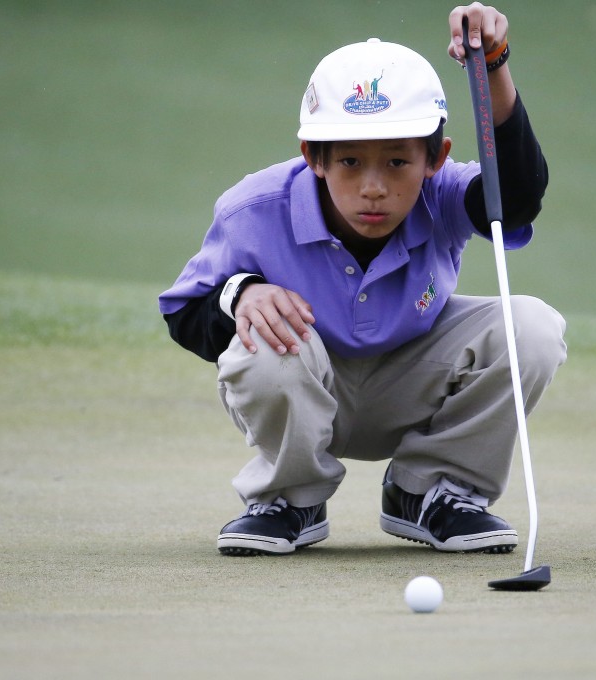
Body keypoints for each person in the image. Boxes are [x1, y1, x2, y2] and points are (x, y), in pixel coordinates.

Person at [158, 3, 567, 557]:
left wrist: (492, 63)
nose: (373, 187)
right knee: (262, 342)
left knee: (534, 327)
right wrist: (242, 292)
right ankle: (290, 499)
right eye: (350, 161)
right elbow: (184, 313)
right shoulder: (254, 209)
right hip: (304, 383)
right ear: (314, 157)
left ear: (435, 159)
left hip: (414, 381)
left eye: (397, 162)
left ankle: (429, 492)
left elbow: (516, 199)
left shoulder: (442, 194)